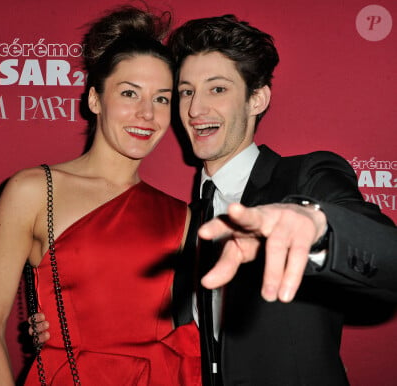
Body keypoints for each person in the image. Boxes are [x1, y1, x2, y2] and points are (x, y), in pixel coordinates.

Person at [0, 5, 201, 386]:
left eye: (161, 99)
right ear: (95, 100)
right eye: (129, 93)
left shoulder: (181, 216)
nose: (146, 113)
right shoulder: (34, 190)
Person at [168, 14, 397, 386]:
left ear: (256, 98)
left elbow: (390, 256)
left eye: (218, 89)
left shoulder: (305, 179)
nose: (195, 109)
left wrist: (319, 227)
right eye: (186, 91)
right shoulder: (186, 217)